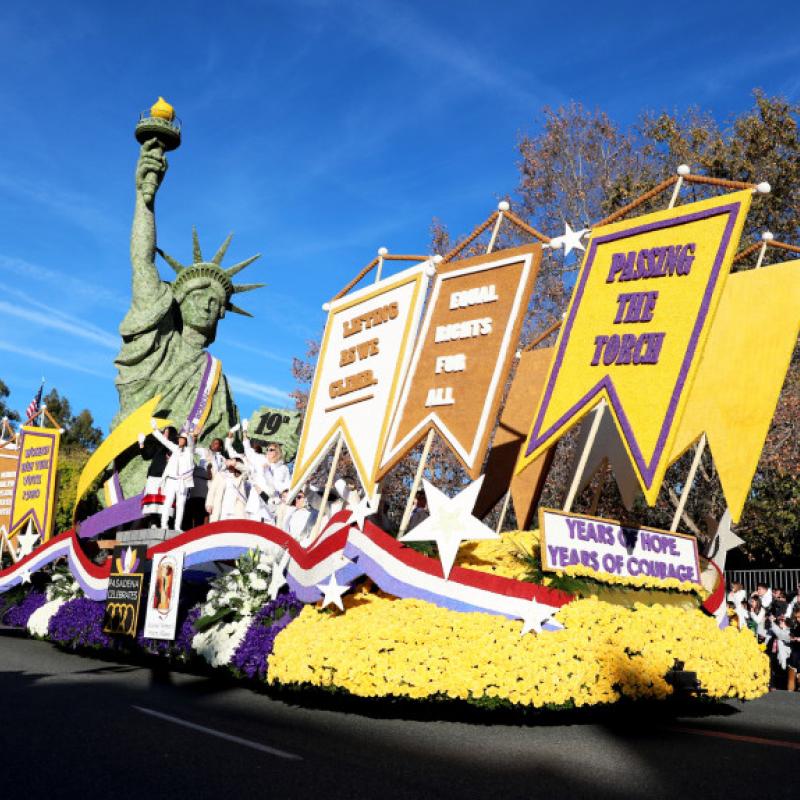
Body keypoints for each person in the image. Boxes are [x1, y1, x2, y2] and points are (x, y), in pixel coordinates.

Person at [112, 135, 262, 500]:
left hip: (201, 491)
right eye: (201, 295)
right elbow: (142, 261)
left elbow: (228, 440)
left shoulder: (215, 376)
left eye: (218, 301)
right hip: (143, 478)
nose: (210, 305)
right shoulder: (157, 343)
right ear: (179, 299)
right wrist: (144, 199)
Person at [151, 420, 195, 531]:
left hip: (183, 482)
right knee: (168, 503)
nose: (180, 441)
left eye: (183, 439)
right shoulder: (175, 448)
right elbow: (163, 440)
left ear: (185, 441)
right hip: (171, 480)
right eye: (179, 438)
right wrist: (155, 430)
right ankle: (164, 525)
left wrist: (188, 432)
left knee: (181, 505)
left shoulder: (189, 452)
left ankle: (177, 527)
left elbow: (192, 443)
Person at [206, 458, 249, 522]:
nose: (230, 464)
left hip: (236, 510)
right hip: (222, 509)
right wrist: (209, 504)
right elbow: (212, 490)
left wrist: (235, 464)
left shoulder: (241, 477)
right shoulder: (220, 475)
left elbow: (247, 471)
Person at [787, 606, 800, 692]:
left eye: (799, 617)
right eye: (796, 617)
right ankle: (790, 689)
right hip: (796, 651)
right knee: (791, 670)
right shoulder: (797, 626)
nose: (798, 619)